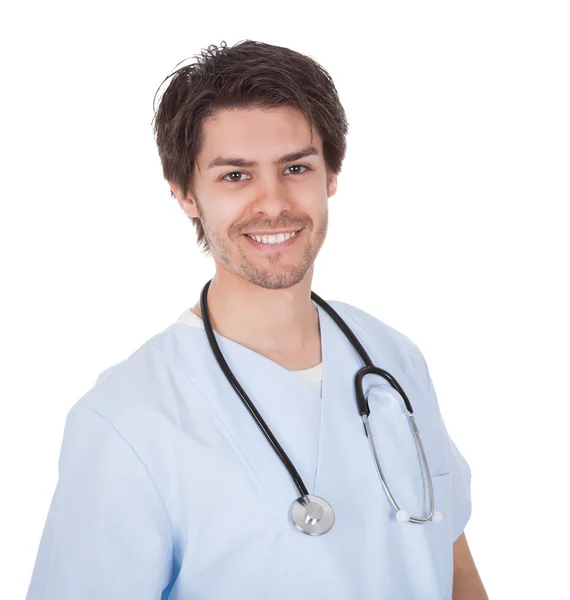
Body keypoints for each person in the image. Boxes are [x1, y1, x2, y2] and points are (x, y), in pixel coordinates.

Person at [26, 40, 487, 599]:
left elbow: (457, 572)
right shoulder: (127, 420)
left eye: (295, 167)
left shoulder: (392, 361)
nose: (272, 203)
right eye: (235, 176)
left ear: (331, 176)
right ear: (184, 194)